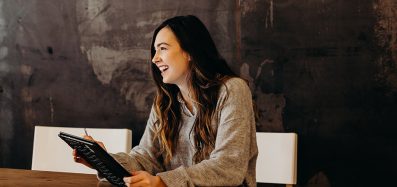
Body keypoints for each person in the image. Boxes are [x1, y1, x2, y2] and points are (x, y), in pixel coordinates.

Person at [73, 15, 258, 187]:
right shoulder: (166, 101)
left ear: (190, 52)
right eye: (155, 51)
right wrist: (103, 160)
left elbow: (228, 166)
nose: (154, 59)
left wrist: (161, 182)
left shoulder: (232, 90)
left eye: (163, 48)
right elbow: (146, 158)